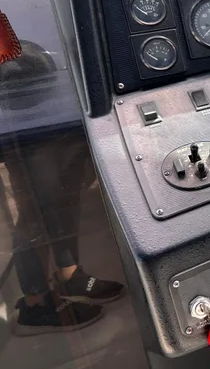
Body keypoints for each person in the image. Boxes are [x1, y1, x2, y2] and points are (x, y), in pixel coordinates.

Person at [3, 128, 125, 336]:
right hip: (21, 120)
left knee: (65, 194)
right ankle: (36, 303)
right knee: (34, 205)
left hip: (60, 116)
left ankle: (69, 276)